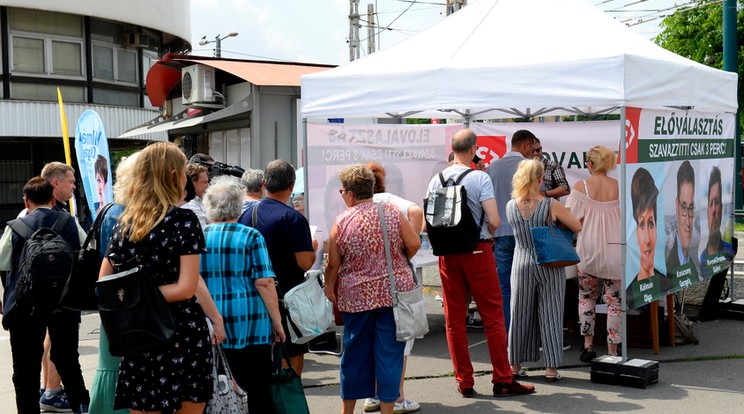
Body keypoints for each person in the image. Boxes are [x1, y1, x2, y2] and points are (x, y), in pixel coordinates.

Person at [90, 153, 226, 414]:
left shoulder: (124, 223)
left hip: (140, 335)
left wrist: (135, 296)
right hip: (180, 331)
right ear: (174, 176)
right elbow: (187, 287)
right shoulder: (184, 221)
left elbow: (104, 282)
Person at [427, 128, 535, 398]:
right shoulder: (479, 177)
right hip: (477, 251)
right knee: (493, 316)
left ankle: (464, 381)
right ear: (474, 148)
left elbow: (426, 223)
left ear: (452, 149)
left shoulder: (435, 181)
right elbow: (496, 221)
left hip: (447, 255)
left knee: (454, 320)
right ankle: (502, 378)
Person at [323, 164, 420, 414]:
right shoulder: (390, 212)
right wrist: (399, 258)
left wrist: (329, 288)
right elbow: (414, 243)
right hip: (393, 295)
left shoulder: (342, 221)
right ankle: (387, 410)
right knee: (389, 355)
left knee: (354, 355)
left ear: (351, 194)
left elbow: (333, 263)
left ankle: (348, 411)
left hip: (356, 298)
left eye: (342, 191)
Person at [0, 177, 91, 413]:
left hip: (25, 307)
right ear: (53, 199)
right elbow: (88, 252)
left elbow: (1, 261)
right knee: (68, 361)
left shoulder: (15, 228)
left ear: (25, 201)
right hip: (65, 303)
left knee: (25, 370)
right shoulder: (69, 222)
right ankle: (80, 406)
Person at [201, 176, 286, 413]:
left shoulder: (200, 236)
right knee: (257, 387)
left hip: (211, 322)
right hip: (251, 324)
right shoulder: (251, 236)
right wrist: (277, 322)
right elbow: (265, 282)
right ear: (238, 205)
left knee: (220, 386)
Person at [237, 160, 316, 376]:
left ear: (264, 184)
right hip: (287, 300)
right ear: (292, 186)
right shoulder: (293, 218)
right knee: (290, 358)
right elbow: (305, 262)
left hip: (253, 295)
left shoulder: (245, 215)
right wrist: (314, 248)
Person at [507, 159, 582, 382]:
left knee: (519, 313)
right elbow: (577, 226)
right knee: (551, 313)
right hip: (548, 262)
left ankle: (514, 365)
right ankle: (551, 368)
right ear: (540, 179)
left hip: (521, 261)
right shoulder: (550, 205)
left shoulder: (511, 205)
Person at [363, 161, 422, 414]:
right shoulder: (388, 199)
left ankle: (374, 395)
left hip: (367, 283)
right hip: (396, 280)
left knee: (373, 339)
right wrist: (407, 246)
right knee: (401, 339)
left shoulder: (359, 205)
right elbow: (417, 211)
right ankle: (397, 397)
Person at [565, 146, 621, 362]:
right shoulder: (618, 186)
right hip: (615, 251)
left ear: (590, 164)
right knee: (615, 302)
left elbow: (572, 220)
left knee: (586, 297)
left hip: (588, 252)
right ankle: (613, 350)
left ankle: (588, 347)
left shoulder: (581, 187)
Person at [38, 162, 84, 412]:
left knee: (49, 339)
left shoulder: (26, 215)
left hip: (36, 294)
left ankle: (49, 388)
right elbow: (85, 245)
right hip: (62, 292)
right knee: (61, 343)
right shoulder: (62, 217)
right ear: (55, 184)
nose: (74, 186)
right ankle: (54, 391)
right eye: (71, 181)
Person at [485, 129, 536, 331]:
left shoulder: (493, 168)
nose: (533, 153)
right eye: (532, 148)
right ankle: (526, 333)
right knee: (528, 286)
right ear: (524, 145)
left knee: (505, 286)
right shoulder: (529, 168)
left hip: (500, 233)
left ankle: (509, 333)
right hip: (525, 233)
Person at [627, 168, 672, 310]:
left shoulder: (667, 283)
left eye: (651, 224)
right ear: (634, 232)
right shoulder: (629, 293)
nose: (647, 239)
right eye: (641, 225)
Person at [694, 166, 735, 321]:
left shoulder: (728, 250)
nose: (713, 211)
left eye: (717, 202)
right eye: (710, 203)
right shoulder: (698, 257)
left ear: (722, 207)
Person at [666, 160, 699, 276]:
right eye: (684, 208)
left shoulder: (694, 263)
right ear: (677, 206)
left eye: (691, 208)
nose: (688, 222)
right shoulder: (667, 265)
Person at [182, 163, 210, 229]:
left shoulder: (202, 200)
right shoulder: (189, 205)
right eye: (204, 182)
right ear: (193, 182)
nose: (207, 185)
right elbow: (205, 229)